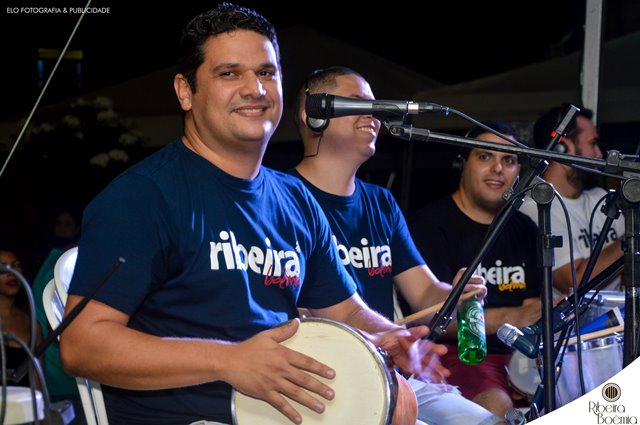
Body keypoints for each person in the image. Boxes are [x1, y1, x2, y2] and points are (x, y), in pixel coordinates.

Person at [59, 4, 444, 425]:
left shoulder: (296, 199)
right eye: (229, 73)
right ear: (185, 91)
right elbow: (82, 346)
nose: (255, 89)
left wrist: (389, 335)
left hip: (287, 410)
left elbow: (347, 312)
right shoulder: (142, 197)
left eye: (266, 72)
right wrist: (228, 361)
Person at [289, 66, 503, 425]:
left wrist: (456, 295)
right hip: (330, 379)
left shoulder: (381, 203)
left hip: (391, 371)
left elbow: (424, 294)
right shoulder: (282, 197)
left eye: (375, 106)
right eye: (358, 103)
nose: (374, 114)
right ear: (314, 113)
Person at [408, 121, 542, 417]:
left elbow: (535, 307)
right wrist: (513, 317)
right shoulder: (428, 226)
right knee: (497, 407)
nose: (498, 169)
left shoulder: (525, 228)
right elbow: (432, 321)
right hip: (461, 357)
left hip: (524, 356)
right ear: (462, 164)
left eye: (509, 160)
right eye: (485, 156)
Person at [519, 104, 624, 295]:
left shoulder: (600, 196)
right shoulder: (535, 209)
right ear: (563, 147)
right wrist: (630, 241)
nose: (599, 154)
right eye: (593, 144)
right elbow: (574, 282)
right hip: (577, 315)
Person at [32, 205, 86, 424]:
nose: (62, 228)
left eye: (68, 223)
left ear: (78, 228)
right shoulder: (62, 264)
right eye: (59, 223)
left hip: (68, 375)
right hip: (62, 376)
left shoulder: (63, 260)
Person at [0, 248, 44, 387]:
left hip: (25, 401)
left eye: (15, 265)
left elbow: (38, 383)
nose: (11, 273)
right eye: (3, 267)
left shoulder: (32, 325)